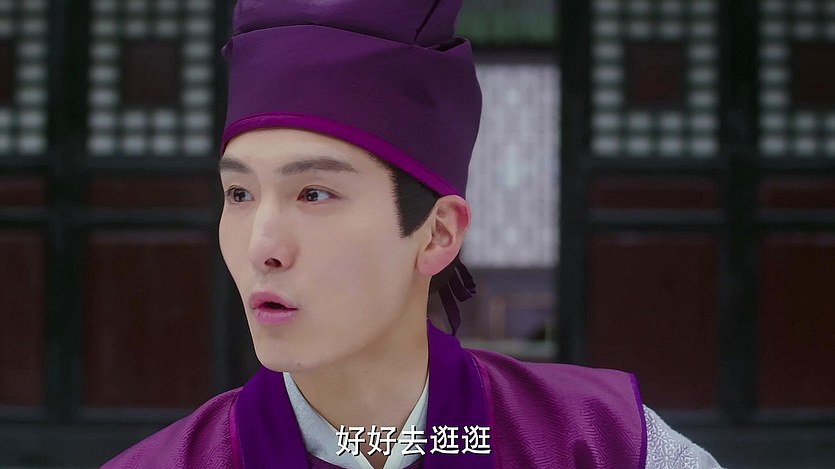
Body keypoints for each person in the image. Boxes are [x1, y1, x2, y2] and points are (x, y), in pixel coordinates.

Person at [103, 1, 723, 467]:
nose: (262, 246)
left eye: (314, 193)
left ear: (437, 234)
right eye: (239, 194)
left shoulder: (606, 445)